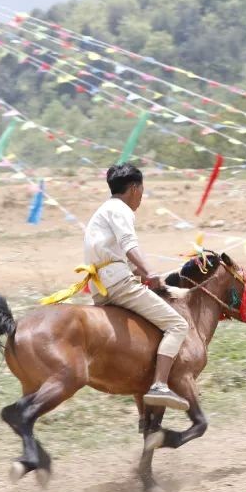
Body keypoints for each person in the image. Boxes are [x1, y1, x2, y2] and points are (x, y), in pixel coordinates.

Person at [84, 163, 190, 410]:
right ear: (133, 188)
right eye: (142, 189)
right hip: (117, 284)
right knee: (177, 325)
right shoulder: (120, 210)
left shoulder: (102, 211)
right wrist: (149, 272)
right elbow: (129, 244)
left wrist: (141, 276)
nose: (142, 195)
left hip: (101, 287)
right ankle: (160, 385)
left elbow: (113, 253)